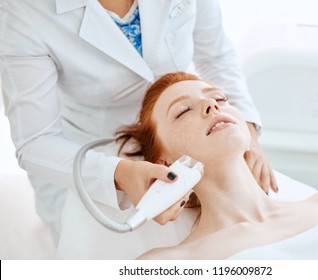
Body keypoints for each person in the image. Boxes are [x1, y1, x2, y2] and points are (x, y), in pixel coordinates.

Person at [0, 0, 277, 247]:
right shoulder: (25, 11)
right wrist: (118, 173)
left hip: (187, 145)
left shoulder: (315, 209)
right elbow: (35, 141)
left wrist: (247, 129)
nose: (213, 104)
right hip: (88, 159)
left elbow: (217, 57)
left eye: (217, 98)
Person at [115, 72, 318, 259]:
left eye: (220, 98)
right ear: (165, 164)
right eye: (183, 110)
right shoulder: (166, 264)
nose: (212, 105)